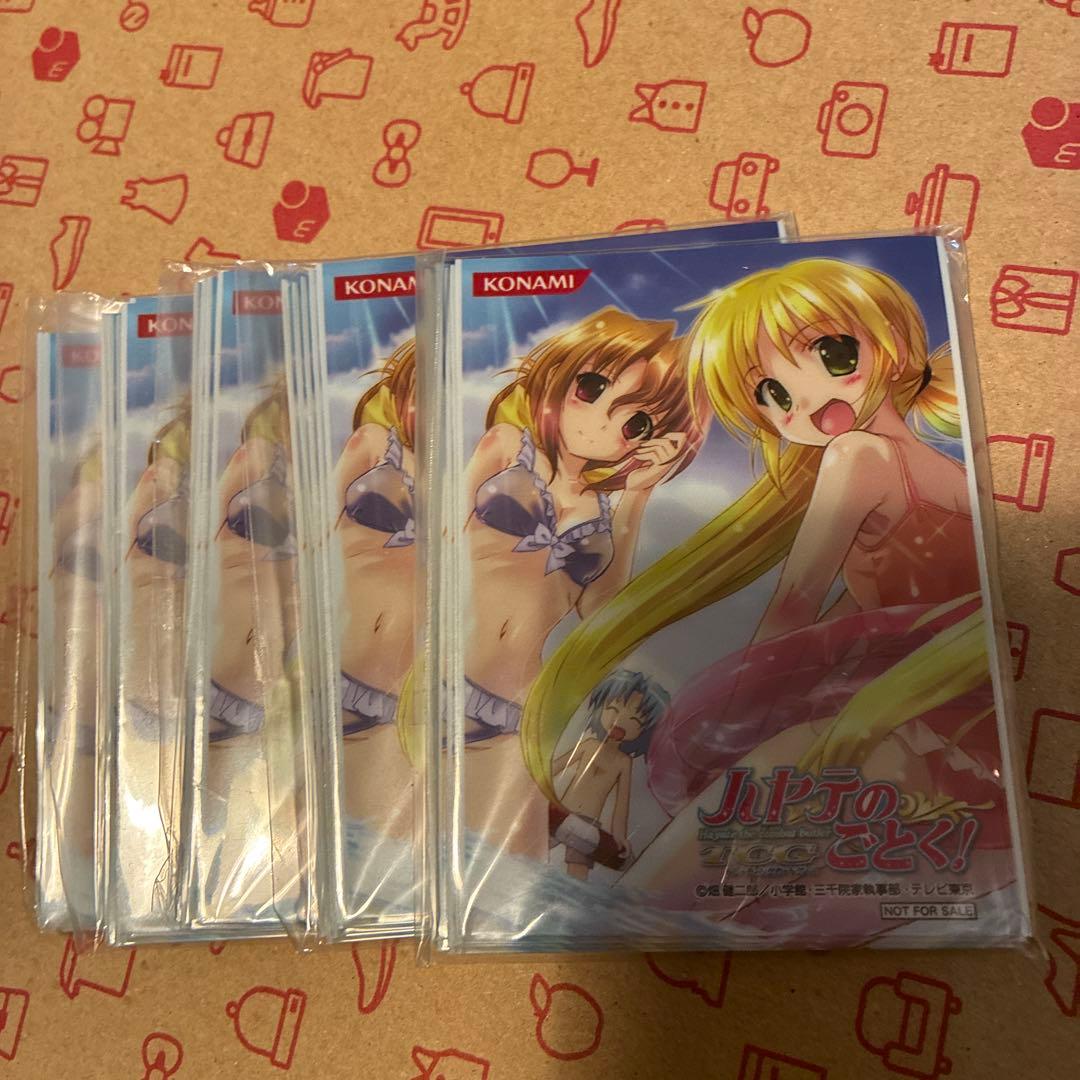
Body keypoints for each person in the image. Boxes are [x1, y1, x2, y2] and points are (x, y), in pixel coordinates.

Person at [522, 259, 1010, 914]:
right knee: (745, 900)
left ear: (891, 339)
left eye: (831, 354)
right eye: (773, 394)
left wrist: (743, 717)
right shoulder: (953, 478)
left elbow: (795, 605)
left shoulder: (858, 456)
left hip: (902, 717)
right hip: (963, 725)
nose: (802, 401)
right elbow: (863, 620)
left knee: (654, 904)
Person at [463, 308, 703, 858]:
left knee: (502, 857)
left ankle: (567, 830)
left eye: (634, 422)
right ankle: (571, 829)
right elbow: (440, 541)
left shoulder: (603, 507)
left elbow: (600, 610)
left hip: (520, 703)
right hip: (453, 671)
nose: (596, 423)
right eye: (590, 389)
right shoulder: (506, 445)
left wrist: (637, 495)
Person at [334, 339, 417, 841]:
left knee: (379, 836)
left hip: (401, 689)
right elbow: (319, 528)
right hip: (341, 660)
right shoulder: (373, 442)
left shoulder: (459, 466)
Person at [552, 669, 668, 879]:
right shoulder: (588, 745)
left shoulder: (624, 762)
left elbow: (621, 803)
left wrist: (620, 835)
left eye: (635, 720)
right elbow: (554, 769)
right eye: (613, 709)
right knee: (526, 851)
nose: (620, 720)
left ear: (644, 731)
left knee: (577, 874)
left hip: (588, 824)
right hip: (560, 810)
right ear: (601, 709)